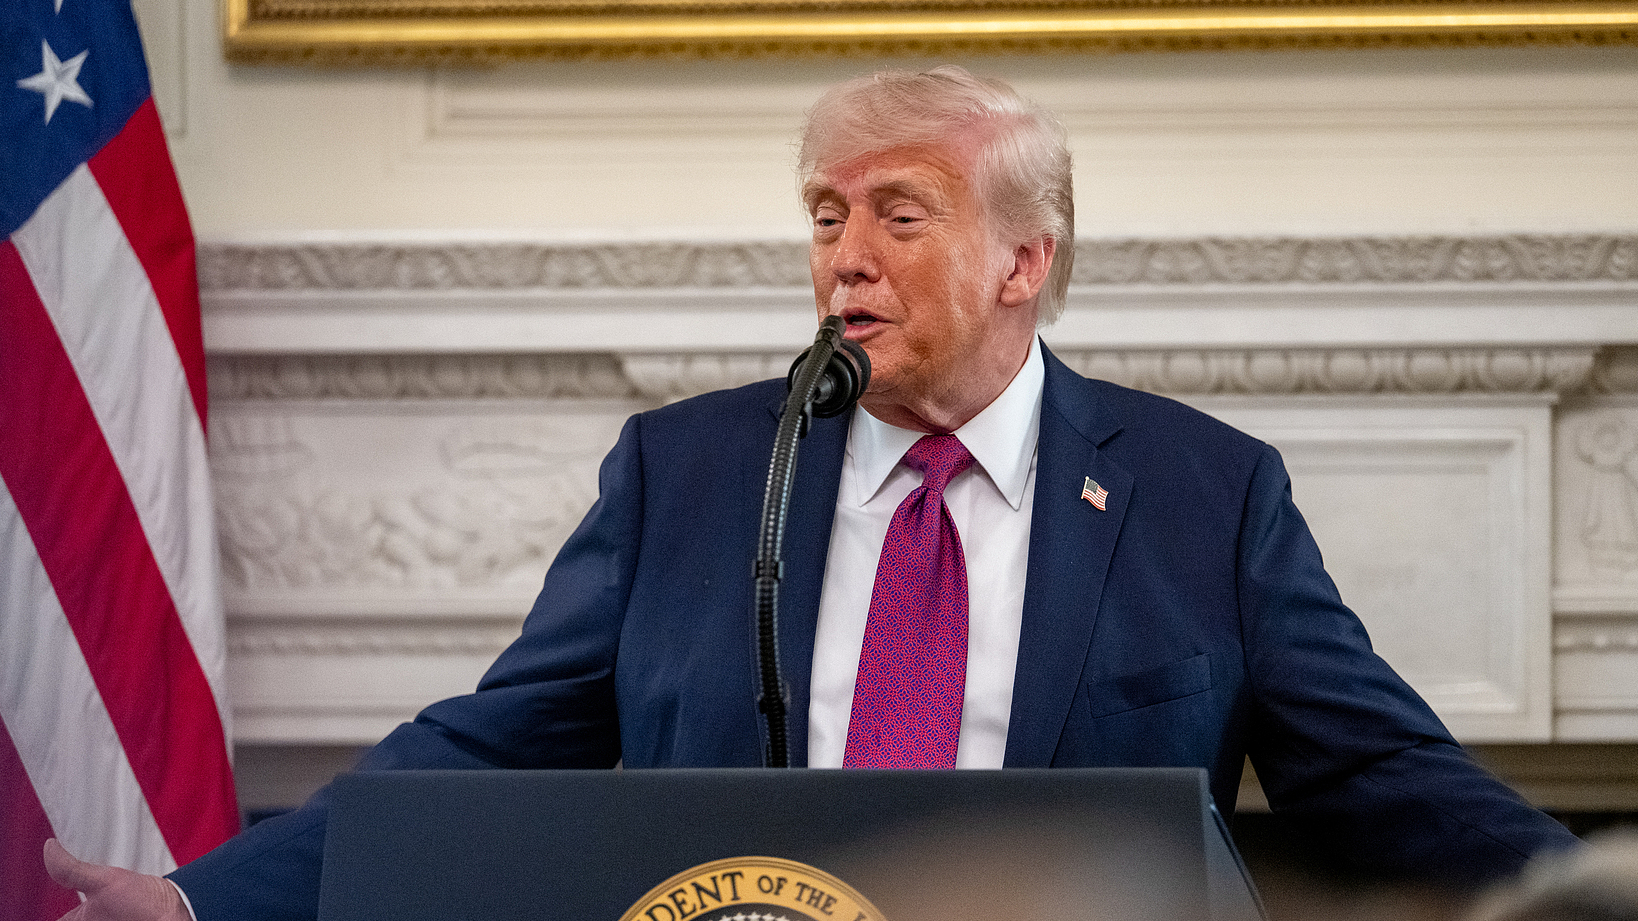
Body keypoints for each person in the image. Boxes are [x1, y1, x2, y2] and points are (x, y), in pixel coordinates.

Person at [47, 65, 1580, 921]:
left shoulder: (1200, 492)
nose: (843, 252)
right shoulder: (693, 473)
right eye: (824, 213)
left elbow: (1377, 771)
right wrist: (204, 902)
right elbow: (490, 747)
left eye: (897, 214)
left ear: (1022, 260)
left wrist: (1585, 890)